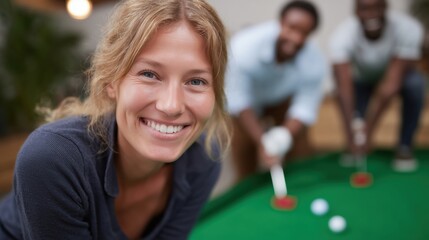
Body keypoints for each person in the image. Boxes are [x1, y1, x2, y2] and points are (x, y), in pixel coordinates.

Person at [0, 0, 231, 239]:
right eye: (149, 74)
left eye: (196, 81)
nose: (171, 105)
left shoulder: (204, 157)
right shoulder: (52, 158)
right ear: (111, 82)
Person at [225, 0, 327, 182]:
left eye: (304, 33)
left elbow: (304, 106)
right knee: (244, 153)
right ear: (280, 23)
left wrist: (283, 136)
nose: (296, 38)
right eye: (292, 28)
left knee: (299, 149)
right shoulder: (243, 47)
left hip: (283, 101)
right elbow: (238, 100)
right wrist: (263, 141)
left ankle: (298, 186)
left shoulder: (315, 61)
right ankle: (246, 192)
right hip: (246, 108)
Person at [330, 0, 425, 172]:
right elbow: (343, 88)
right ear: (356, 11)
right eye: (364, 8)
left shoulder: (408, 28)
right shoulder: (342, 34)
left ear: (386, 8)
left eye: (377, 7)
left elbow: (391, 85)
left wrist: (368, 131)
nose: (371, 13)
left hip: (397, 79)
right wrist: (351, 135)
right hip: (361, 81)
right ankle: (352, 145)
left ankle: (404, 146)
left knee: (416, 84)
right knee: (349, 102)